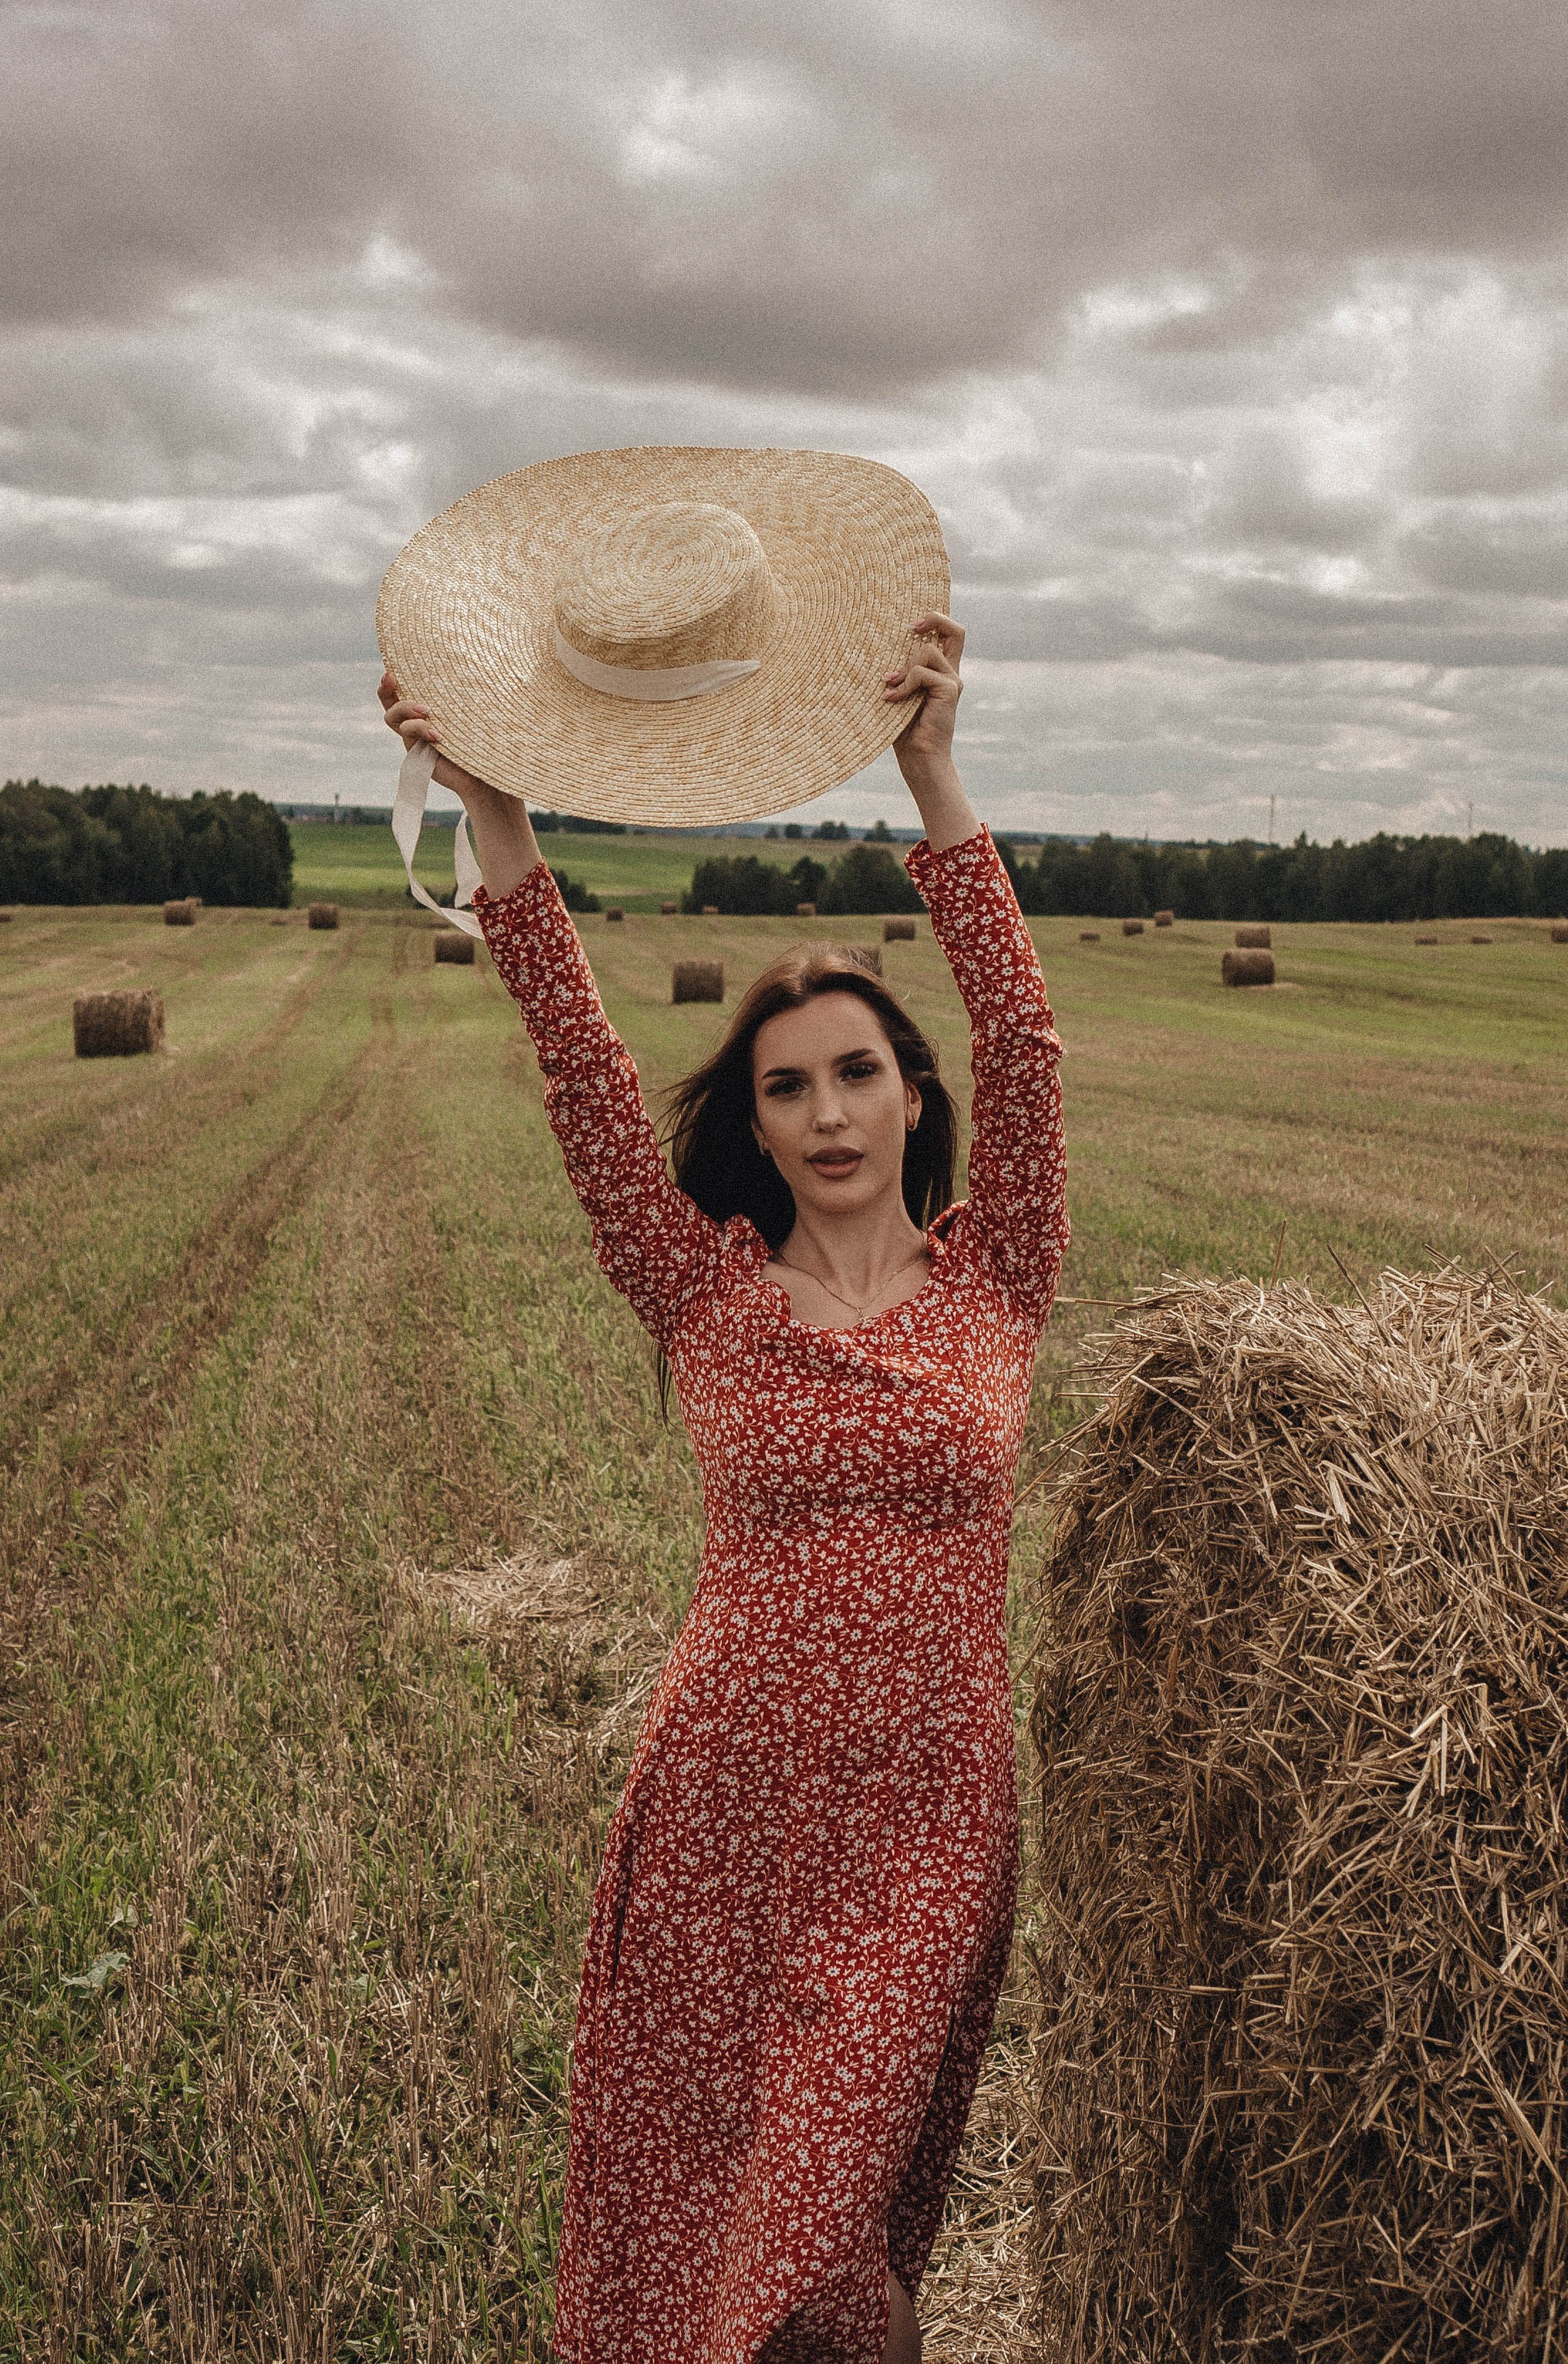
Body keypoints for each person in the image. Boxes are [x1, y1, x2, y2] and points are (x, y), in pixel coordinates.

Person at [379, 610, 1068, 2364]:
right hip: (726, 1807)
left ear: (913, 1098)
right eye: (785, 1088)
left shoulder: (1000, 1276)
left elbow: (1032, 1051)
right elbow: (590, 1082)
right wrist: (497, 818)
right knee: (730, 2230)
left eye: (856, 1072)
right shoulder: (703, 1295)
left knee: (833, 2209)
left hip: (928, 1816)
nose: (826, 1111)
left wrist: (929, 770)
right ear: (752, 1127)